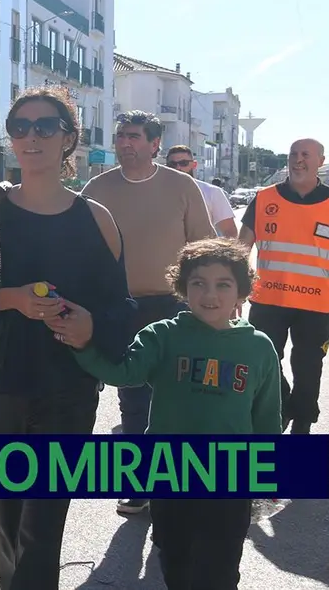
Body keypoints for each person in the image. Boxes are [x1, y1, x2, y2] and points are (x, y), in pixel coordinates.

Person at [0, 87, 134, 590]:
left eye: (45, 126)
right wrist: (12, 299)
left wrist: (91, 324)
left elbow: (122, 313)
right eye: (19, 127)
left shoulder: (97, 219)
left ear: (69, 138)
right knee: (6, 526)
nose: (31, 136)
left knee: (44, 528)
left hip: (68, 392)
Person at [72, 238, 281, 590]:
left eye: (223, 284)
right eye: (198, 283)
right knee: (175, 559)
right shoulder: (163, 336)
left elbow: (267, 416)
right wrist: (83, 345)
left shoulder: (258, 347)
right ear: (183, 289)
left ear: (242, 292)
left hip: (231, 478)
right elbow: (124, 374)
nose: (209, 294)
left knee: (222, 566)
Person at [81, 110, 215, 515]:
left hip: (172, 307)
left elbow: (204, 249)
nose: (125, 143)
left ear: (155, 144)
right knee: (132, 397)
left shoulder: (181, 186)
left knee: (177, 396)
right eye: (121, 135)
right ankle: (139, 485)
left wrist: (209, 303)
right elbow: (80, 250)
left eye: (134, 136)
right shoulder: (96, 188)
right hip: (120, 308)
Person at [239, 137, 329, 434]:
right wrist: (235, 287)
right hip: (268, 301)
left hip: (317, 305)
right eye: (293, 153)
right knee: (262, 360)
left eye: (306, 154)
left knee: (308, 366)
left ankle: (302, 420)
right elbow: (242, 247)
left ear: (321, 160)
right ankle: (281, 403)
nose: (298, 159)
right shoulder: (265, 198)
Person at [165, 144, 237, 237]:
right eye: (172, 164)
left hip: (201, 249)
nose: (178, 167)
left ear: (194, 164)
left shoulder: (212, 192)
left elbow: (229, 231)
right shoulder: (157, 192)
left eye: (184, 163)